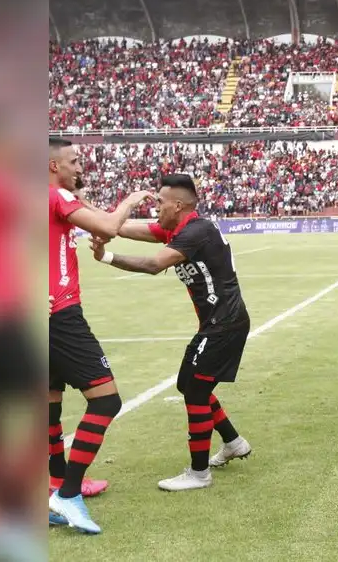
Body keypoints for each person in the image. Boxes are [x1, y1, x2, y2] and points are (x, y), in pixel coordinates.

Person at [92, 174, 253, 489]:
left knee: (194, 389)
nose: (156, 210)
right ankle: (233, 442)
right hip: (217, 323)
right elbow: (120, 228)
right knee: (190, 385)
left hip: (225, 324)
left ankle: (198, 473)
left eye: (161, 203)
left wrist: (106, 257)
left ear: (178, 205)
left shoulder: (197, 231)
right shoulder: (181, 229)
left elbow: (154, 264)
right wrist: (84, 212)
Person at [47, 137, 153, 534]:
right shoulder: (53, 195)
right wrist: (131, 199)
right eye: (74, 161)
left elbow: (98, 225)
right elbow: (109, 225)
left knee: (50, 406)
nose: (80, 167)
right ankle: (67, 494)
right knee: (107, 400)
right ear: (54, 165)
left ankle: (55, 485)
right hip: (60, 315)